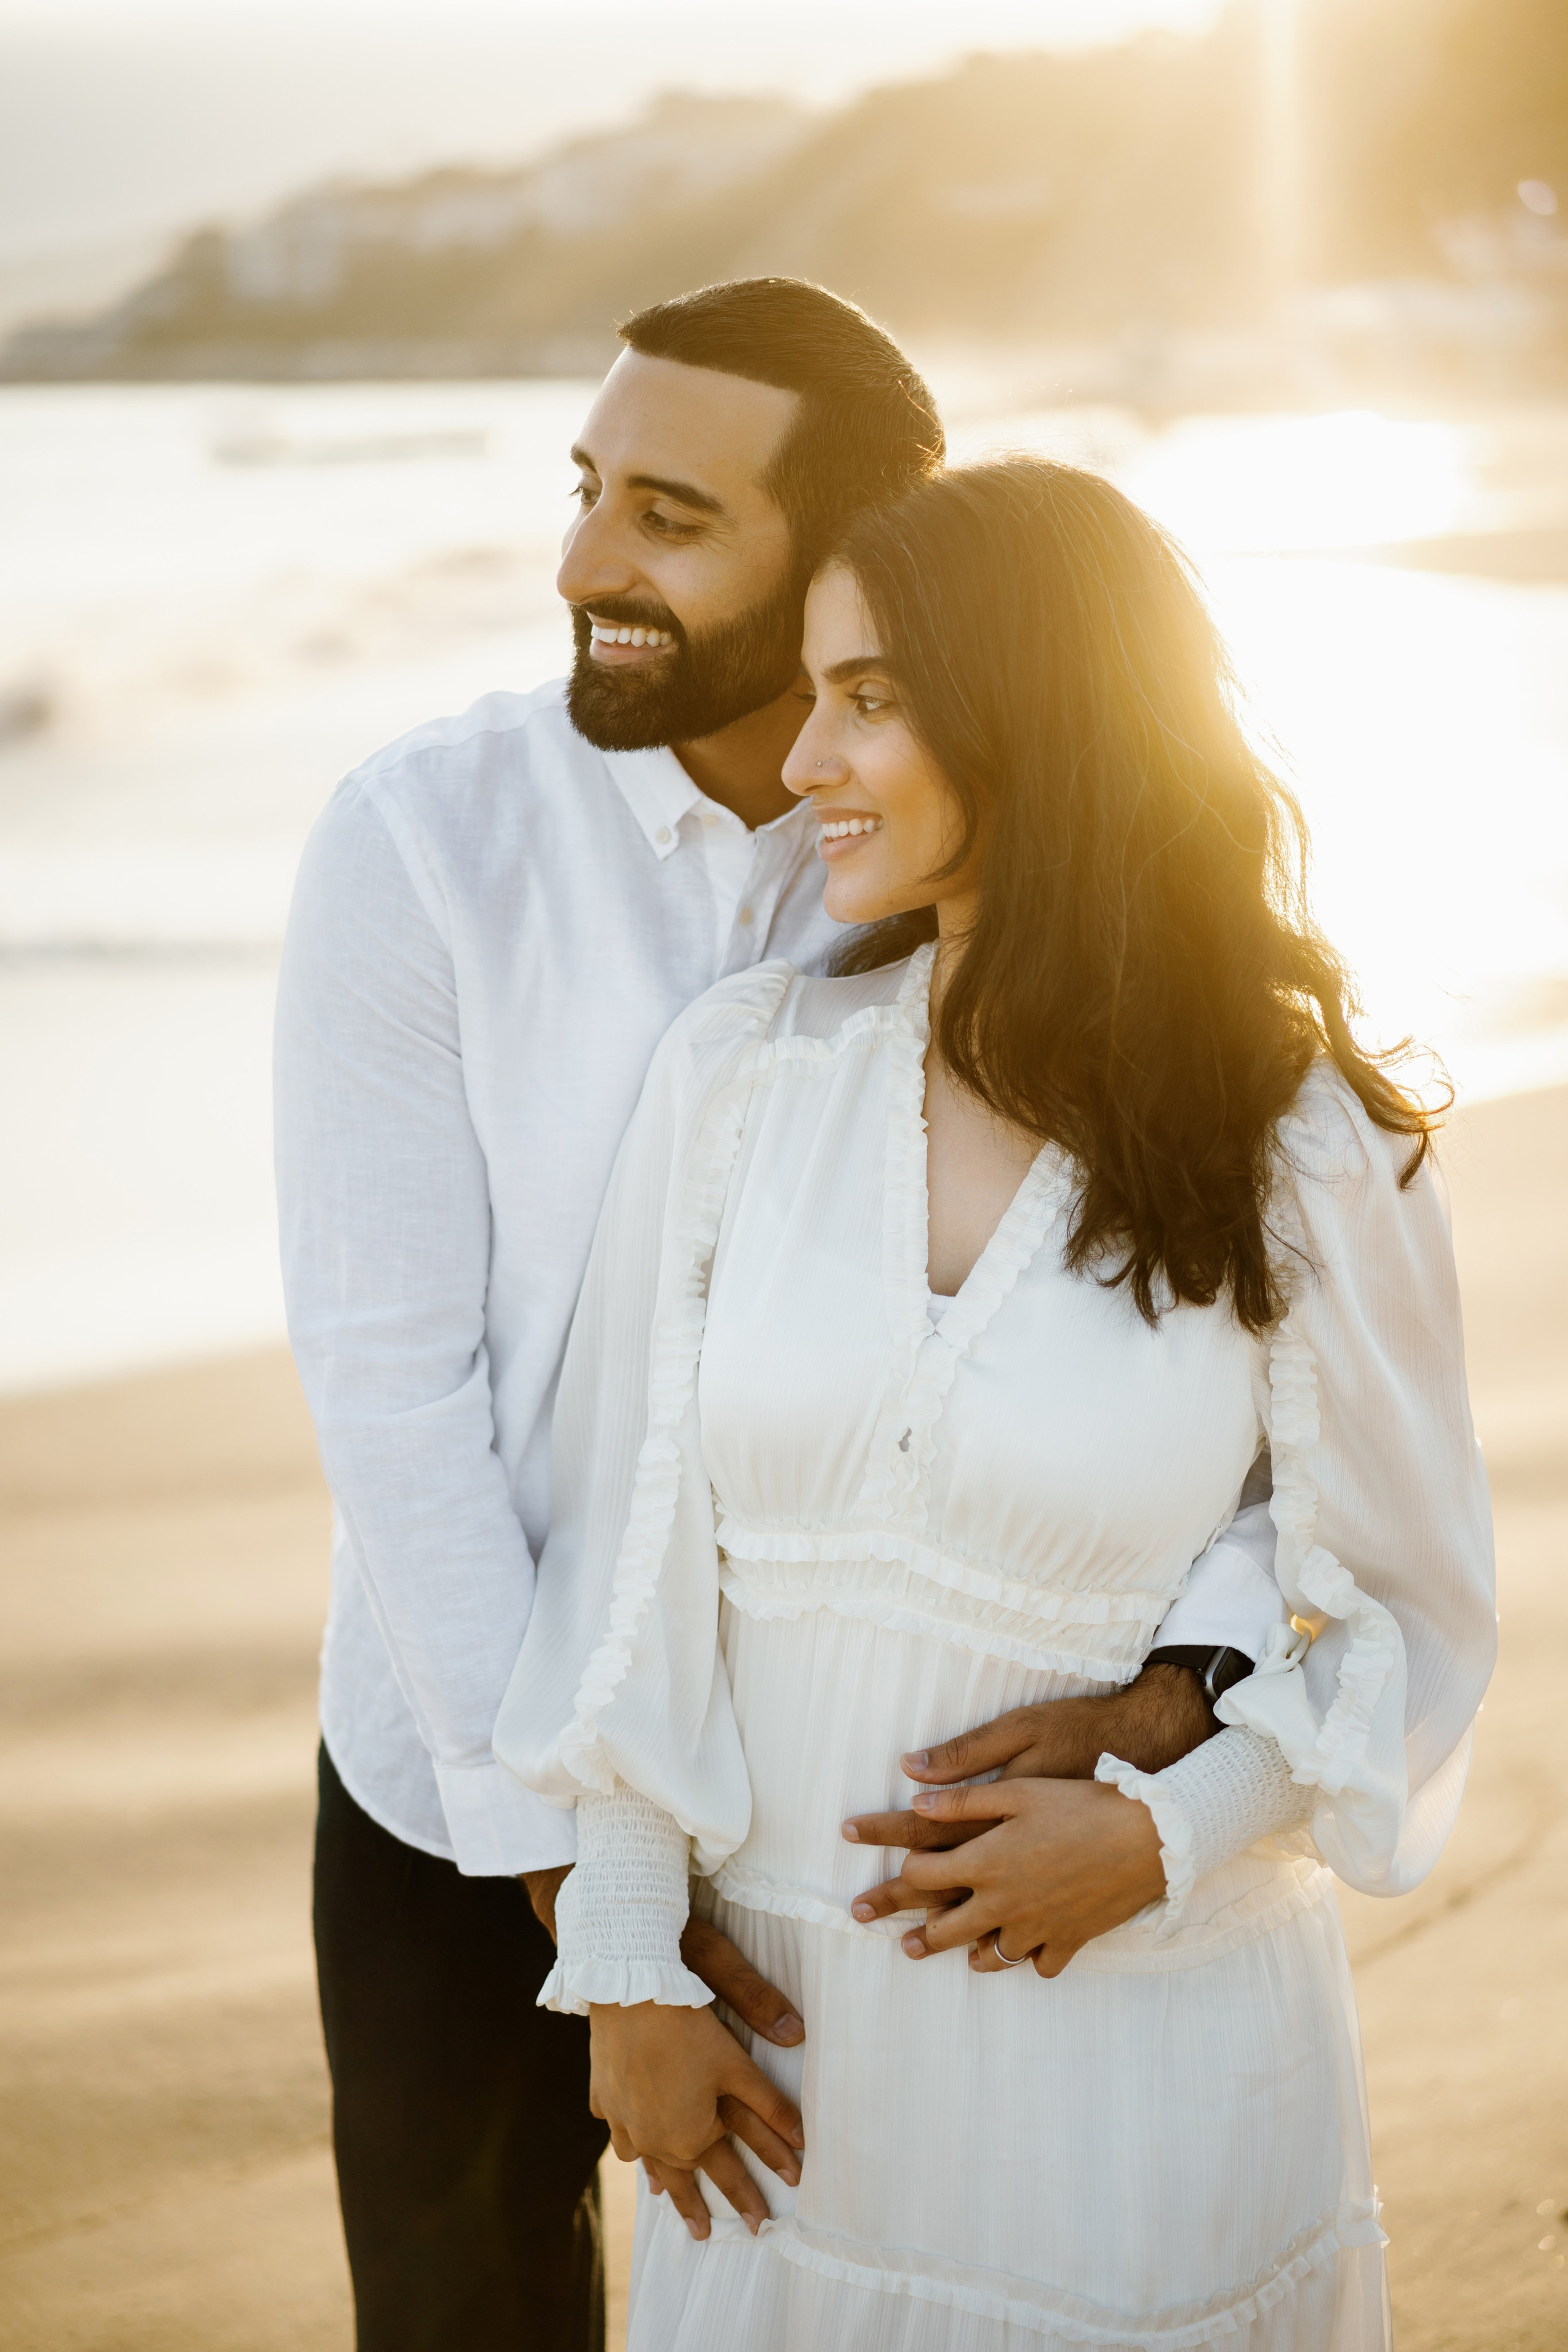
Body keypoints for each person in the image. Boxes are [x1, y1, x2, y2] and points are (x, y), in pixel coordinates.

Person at [275, 283, 1275, 2348]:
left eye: (666, 513)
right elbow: (395, 1393)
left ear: (846, 560)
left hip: (856, 1796)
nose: (583, 563)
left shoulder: (970, 855)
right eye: (584, 494)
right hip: (462, 1782)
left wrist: (1181, 1703)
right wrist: (591, 1891)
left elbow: (1226, 1358)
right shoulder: (425, 841)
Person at [494, 457, 1497, 2350]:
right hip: (785, 2099)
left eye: (870, 699)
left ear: (1043, 715)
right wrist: (630, 1969)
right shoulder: (742, 1083)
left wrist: (1170, 1831)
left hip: (1149, 2061)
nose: (805, 761)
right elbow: (623, 1580)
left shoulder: (1300, 1147)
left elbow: (1404, 1616)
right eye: (817, 692)